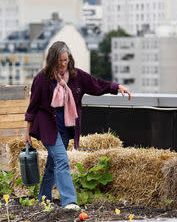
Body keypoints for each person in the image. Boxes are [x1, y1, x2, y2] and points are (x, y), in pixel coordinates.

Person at [24, 41, 131, 210]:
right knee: (62, 160)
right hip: (48, 126)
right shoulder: (42, 79)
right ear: (52, 60)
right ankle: (69, 201)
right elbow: (33, 106)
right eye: (59, 61)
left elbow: (96, 84)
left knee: (53, 163)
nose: (63, 64)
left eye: (66, 60)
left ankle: (43, 199)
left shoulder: (76, 76)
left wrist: (117, 87)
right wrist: (27, 132)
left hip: (66, 127)